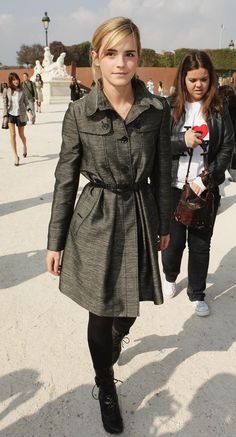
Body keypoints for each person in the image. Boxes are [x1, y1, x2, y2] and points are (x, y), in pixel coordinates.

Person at [46, 16, 171, 435]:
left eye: (130, 53)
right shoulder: (79, 113)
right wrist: (55, 240)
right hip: (95, 219)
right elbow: (65, 179)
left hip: (139, 211)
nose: (121, 62)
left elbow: (163, 172)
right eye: (111, 53)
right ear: (95, 58)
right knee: (100, 312)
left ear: (139, 57)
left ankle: (118, 336)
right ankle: (105, 385)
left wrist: (164, 221)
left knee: (130, 306)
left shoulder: (156, 110)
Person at [161, 50, 234, 317]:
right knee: (173, 244)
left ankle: (197, 292)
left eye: (203, 79)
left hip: (205, 191)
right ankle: (170, 276)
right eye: (193, 79)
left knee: (201, 244)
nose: (198, 85)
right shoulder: (168, 107)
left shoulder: (217, 108)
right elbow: (156, 146)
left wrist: (210, 178)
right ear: (183, 78)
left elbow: (227, 145)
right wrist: (183, 141)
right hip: (173, 187)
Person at [2, 72, 28, 166]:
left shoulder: (22, 89)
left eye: (17, 79)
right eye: (13, 80)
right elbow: (5, 103)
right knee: (12, 135)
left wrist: (29, 109)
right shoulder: (7, 90)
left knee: (21, 135)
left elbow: (26, 102)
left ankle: (25, 146)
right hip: (10, 115)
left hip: (20, 114)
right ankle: (16, 156)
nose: (16, 81)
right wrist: (5, 115)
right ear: (11, 81)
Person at [218, 85, 236, 182]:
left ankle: (225, 173)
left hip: (225, 135)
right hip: (233, 135)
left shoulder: (222, 105)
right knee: (231, 155)